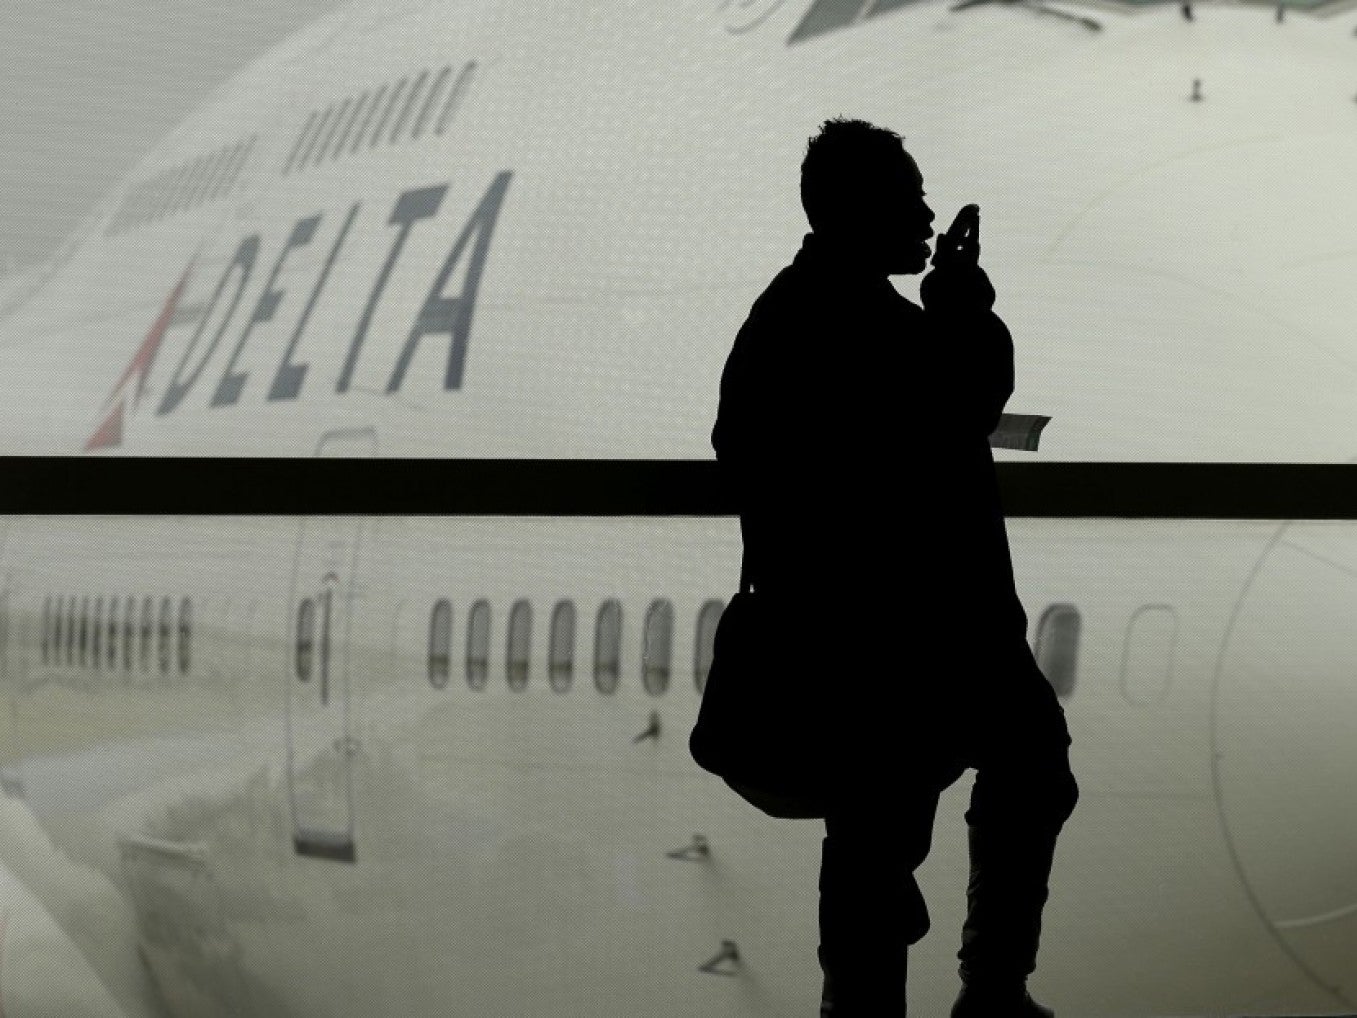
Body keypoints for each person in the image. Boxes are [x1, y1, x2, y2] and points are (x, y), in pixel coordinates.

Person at [710, 118, 1078, 1017]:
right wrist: (961, 301)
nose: (922, 213)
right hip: (910, 634)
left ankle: (875, 1004)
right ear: (855, 208)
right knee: (1008, 775)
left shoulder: (791, 312)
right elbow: (965, 399)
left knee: (876, 836)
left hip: (855, 631)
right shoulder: (868, 321)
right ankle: (988, 986)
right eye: (906, 196)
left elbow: (744, 446)